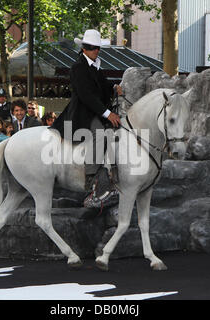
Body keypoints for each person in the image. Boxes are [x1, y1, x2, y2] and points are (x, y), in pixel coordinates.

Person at [50, 29, 122, 203]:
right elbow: (86, 95)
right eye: (91, 47)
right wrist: (108, 113)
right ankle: (92, 180)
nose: (95, 50)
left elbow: (102, 86)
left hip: (95, 110)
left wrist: (113, 87)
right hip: (82, 113)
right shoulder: (78, 67)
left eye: (97, 48)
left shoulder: (96, 66)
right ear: (83, 48)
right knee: (99, 134)